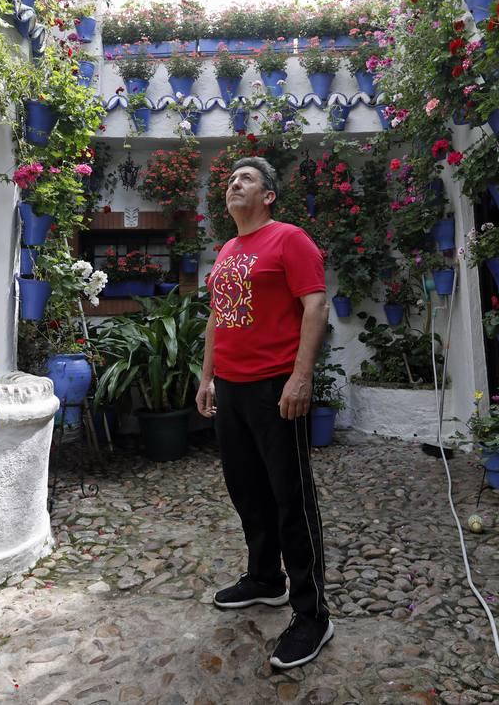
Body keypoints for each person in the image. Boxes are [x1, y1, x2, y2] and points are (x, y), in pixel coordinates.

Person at [195, 156, 333, 670]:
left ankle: (313, 613)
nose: (233, 183)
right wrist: (207, 376)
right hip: (230, 385)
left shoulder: (289, 240)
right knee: (246, 490)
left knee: (290, 496)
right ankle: (265, 579)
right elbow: (219, 318)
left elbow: (315, 307)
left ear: (269, 195)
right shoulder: (229, 249)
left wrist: (301, 377)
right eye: (230, 179)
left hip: (276, 385)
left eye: (245, 179)